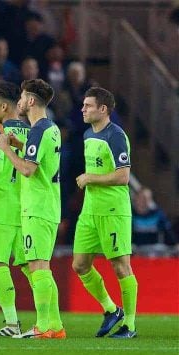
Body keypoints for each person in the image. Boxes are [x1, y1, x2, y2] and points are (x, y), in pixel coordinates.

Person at [0, 78, 65, 339]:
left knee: (37, 265)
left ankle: (42, 326)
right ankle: (55, 326)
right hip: (49, 205)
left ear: (31, 101)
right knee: (42, 265)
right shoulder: (51, 128)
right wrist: (20, 145)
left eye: (23, 98)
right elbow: (40, 159)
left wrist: (5, 149)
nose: (20, 102)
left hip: (36, 207)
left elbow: (28, 169)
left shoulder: (37, 129)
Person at [72, 87, 138, 338]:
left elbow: (123, 176)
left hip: (113, 210)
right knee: (79, 265)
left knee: (121, 267)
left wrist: (91, 177)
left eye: (88, 106)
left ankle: (130, 325)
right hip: (90, 210)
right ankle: (112, 310)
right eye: (83, 105)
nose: (83, 109)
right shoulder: (88, 134)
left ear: (103, 109)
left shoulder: (116, 136)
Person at [0, 81, 31, 337]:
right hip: (24, 208)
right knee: (31, 266)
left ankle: (12, 323)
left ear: (4, 106)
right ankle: (49, 320)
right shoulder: (31, 131)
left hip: (0, 207)